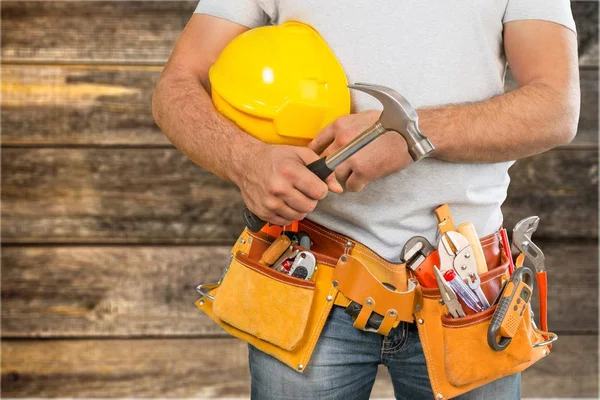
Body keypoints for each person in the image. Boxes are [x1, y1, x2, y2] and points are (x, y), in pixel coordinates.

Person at [152, 1, 580, 399]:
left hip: (466, 295)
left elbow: (556, 107)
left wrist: (414, 133)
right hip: (309, 277)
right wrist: (246, 161)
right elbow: (177, 84)